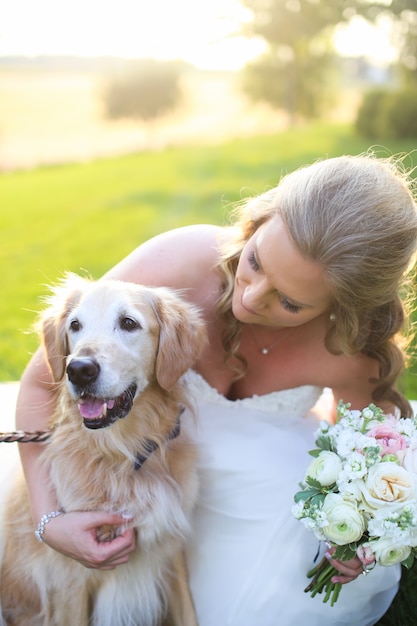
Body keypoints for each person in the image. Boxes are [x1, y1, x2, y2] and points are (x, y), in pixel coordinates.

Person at [14, 153, 417, 625]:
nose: (250, 297)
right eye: (255, 262)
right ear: (260, 221)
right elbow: (45, 381)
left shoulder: (350, 351)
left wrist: (357, 528)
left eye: (289, 302)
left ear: (343, 307)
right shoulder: (181, 260)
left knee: (264, 607)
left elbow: (366, 447)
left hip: (264, 492)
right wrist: (50, 521)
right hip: (146, 463)